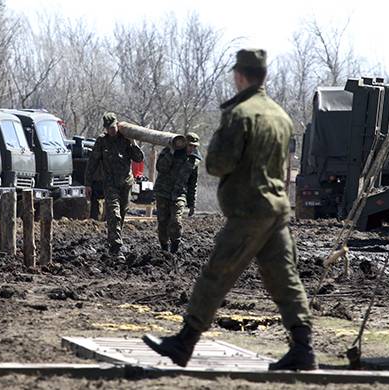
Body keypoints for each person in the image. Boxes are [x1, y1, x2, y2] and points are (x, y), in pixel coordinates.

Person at [143, 49, 317, 371]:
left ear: (240, 75)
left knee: (216, 273)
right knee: (284, 278)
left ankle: (184, 343)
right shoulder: (280, 116)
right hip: (276, 210)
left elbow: (217, 164)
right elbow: (282, 168)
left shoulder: (240, 114)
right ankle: (303, 348)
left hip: (250, 211)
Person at [85, 112, 144, 258]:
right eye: (109, 128)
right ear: (105, 128)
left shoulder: (125, 140)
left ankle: (113, 240)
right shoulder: (102, 141)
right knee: (114, 213)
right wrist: (88, 184)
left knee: (122, 213)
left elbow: (139, 158)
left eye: (113, 127)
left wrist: (133, 143)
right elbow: (92, 163)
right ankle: (116, 246)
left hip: (126, 183)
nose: (112, 130)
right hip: (110, 183)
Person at [154, 133, 201, 253]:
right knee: (163, 222)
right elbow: (160, 167)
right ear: (184, 144)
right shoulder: (169, 151)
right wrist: (171, 153)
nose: (192, 148)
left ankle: (174, 250)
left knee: (176, 221)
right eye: (190, 145)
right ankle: (164, 249)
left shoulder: (194, 161)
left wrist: (192, 204)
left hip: (179, 194)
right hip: (163, 192)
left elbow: (192, 184)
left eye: (194, 146)